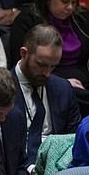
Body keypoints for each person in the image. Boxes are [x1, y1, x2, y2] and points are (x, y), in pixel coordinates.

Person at [9, 0, 89, 114]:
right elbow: (23, 64)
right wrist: (62, 82)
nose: (70, 8)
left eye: (74, 2)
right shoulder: (27, 20)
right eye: (65, 1)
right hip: (47, 81)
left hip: (87, 82)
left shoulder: (83, 17)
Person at [12, 24, 81, 166]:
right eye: (41, 64)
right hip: (17, 167)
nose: (47, 73)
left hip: (55, 165)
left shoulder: (63, 89)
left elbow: (74, 139)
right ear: (24, 53)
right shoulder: (1, 87)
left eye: (53, 66)